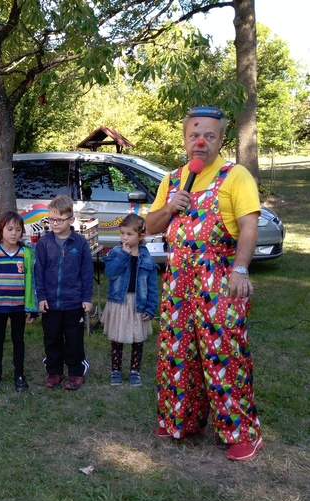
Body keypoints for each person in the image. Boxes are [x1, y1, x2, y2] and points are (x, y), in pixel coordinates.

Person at [145, 106, 263, 461]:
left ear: (220, 139)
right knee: (176, 352)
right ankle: (181, 420)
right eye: (194, 136)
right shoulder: (173, 179)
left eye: (209, 136)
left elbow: (249, 226)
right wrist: (170, 207)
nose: (201, 142)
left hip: (219, 278)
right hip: (178, 279)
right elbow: (150, 226)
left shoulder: (235, 175)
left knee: (223, 353)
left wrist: (240, 269)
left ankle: (242, 432)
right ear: (185, 140)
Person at [34, 195, 94, 390]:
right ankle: (54, 371)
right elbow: (39, 272)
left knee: (74, 340)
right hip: (51, 303)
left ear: (71, 220)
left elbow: (87, 272)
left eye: (59, 220)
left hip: (73, 302)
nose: (54, 223)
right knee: (51, 338)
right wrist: (41, 297)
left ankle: (76, 372)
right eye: (51, 219)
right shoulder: (44, 243)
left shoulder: (80, 243)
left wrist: (86, 297)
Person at [0, 211, 38, 392]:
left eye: (18, 230)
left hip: (19, 307)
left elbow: (31, 280)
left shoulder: (26, 253)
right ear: (1, 230)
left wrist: (32, 307)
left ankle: (19, 375)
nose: (14, 233)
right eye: (10, 229)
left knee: (18, 340)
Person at [101, 213, 158, 387]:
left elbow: (152, 286)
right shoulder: (115, 252)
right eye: (122, 233)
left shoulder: (147, 257)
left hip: (138, 303)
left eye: (129, 234)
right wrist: (123, 256)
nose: (124, 237)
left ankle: (135, 371)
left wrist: (151, 308)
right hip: (119, 302)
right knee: (117, 338)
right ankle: (116, 370)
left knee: (137, 339)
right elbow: (110, 273)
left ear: (141, 236)